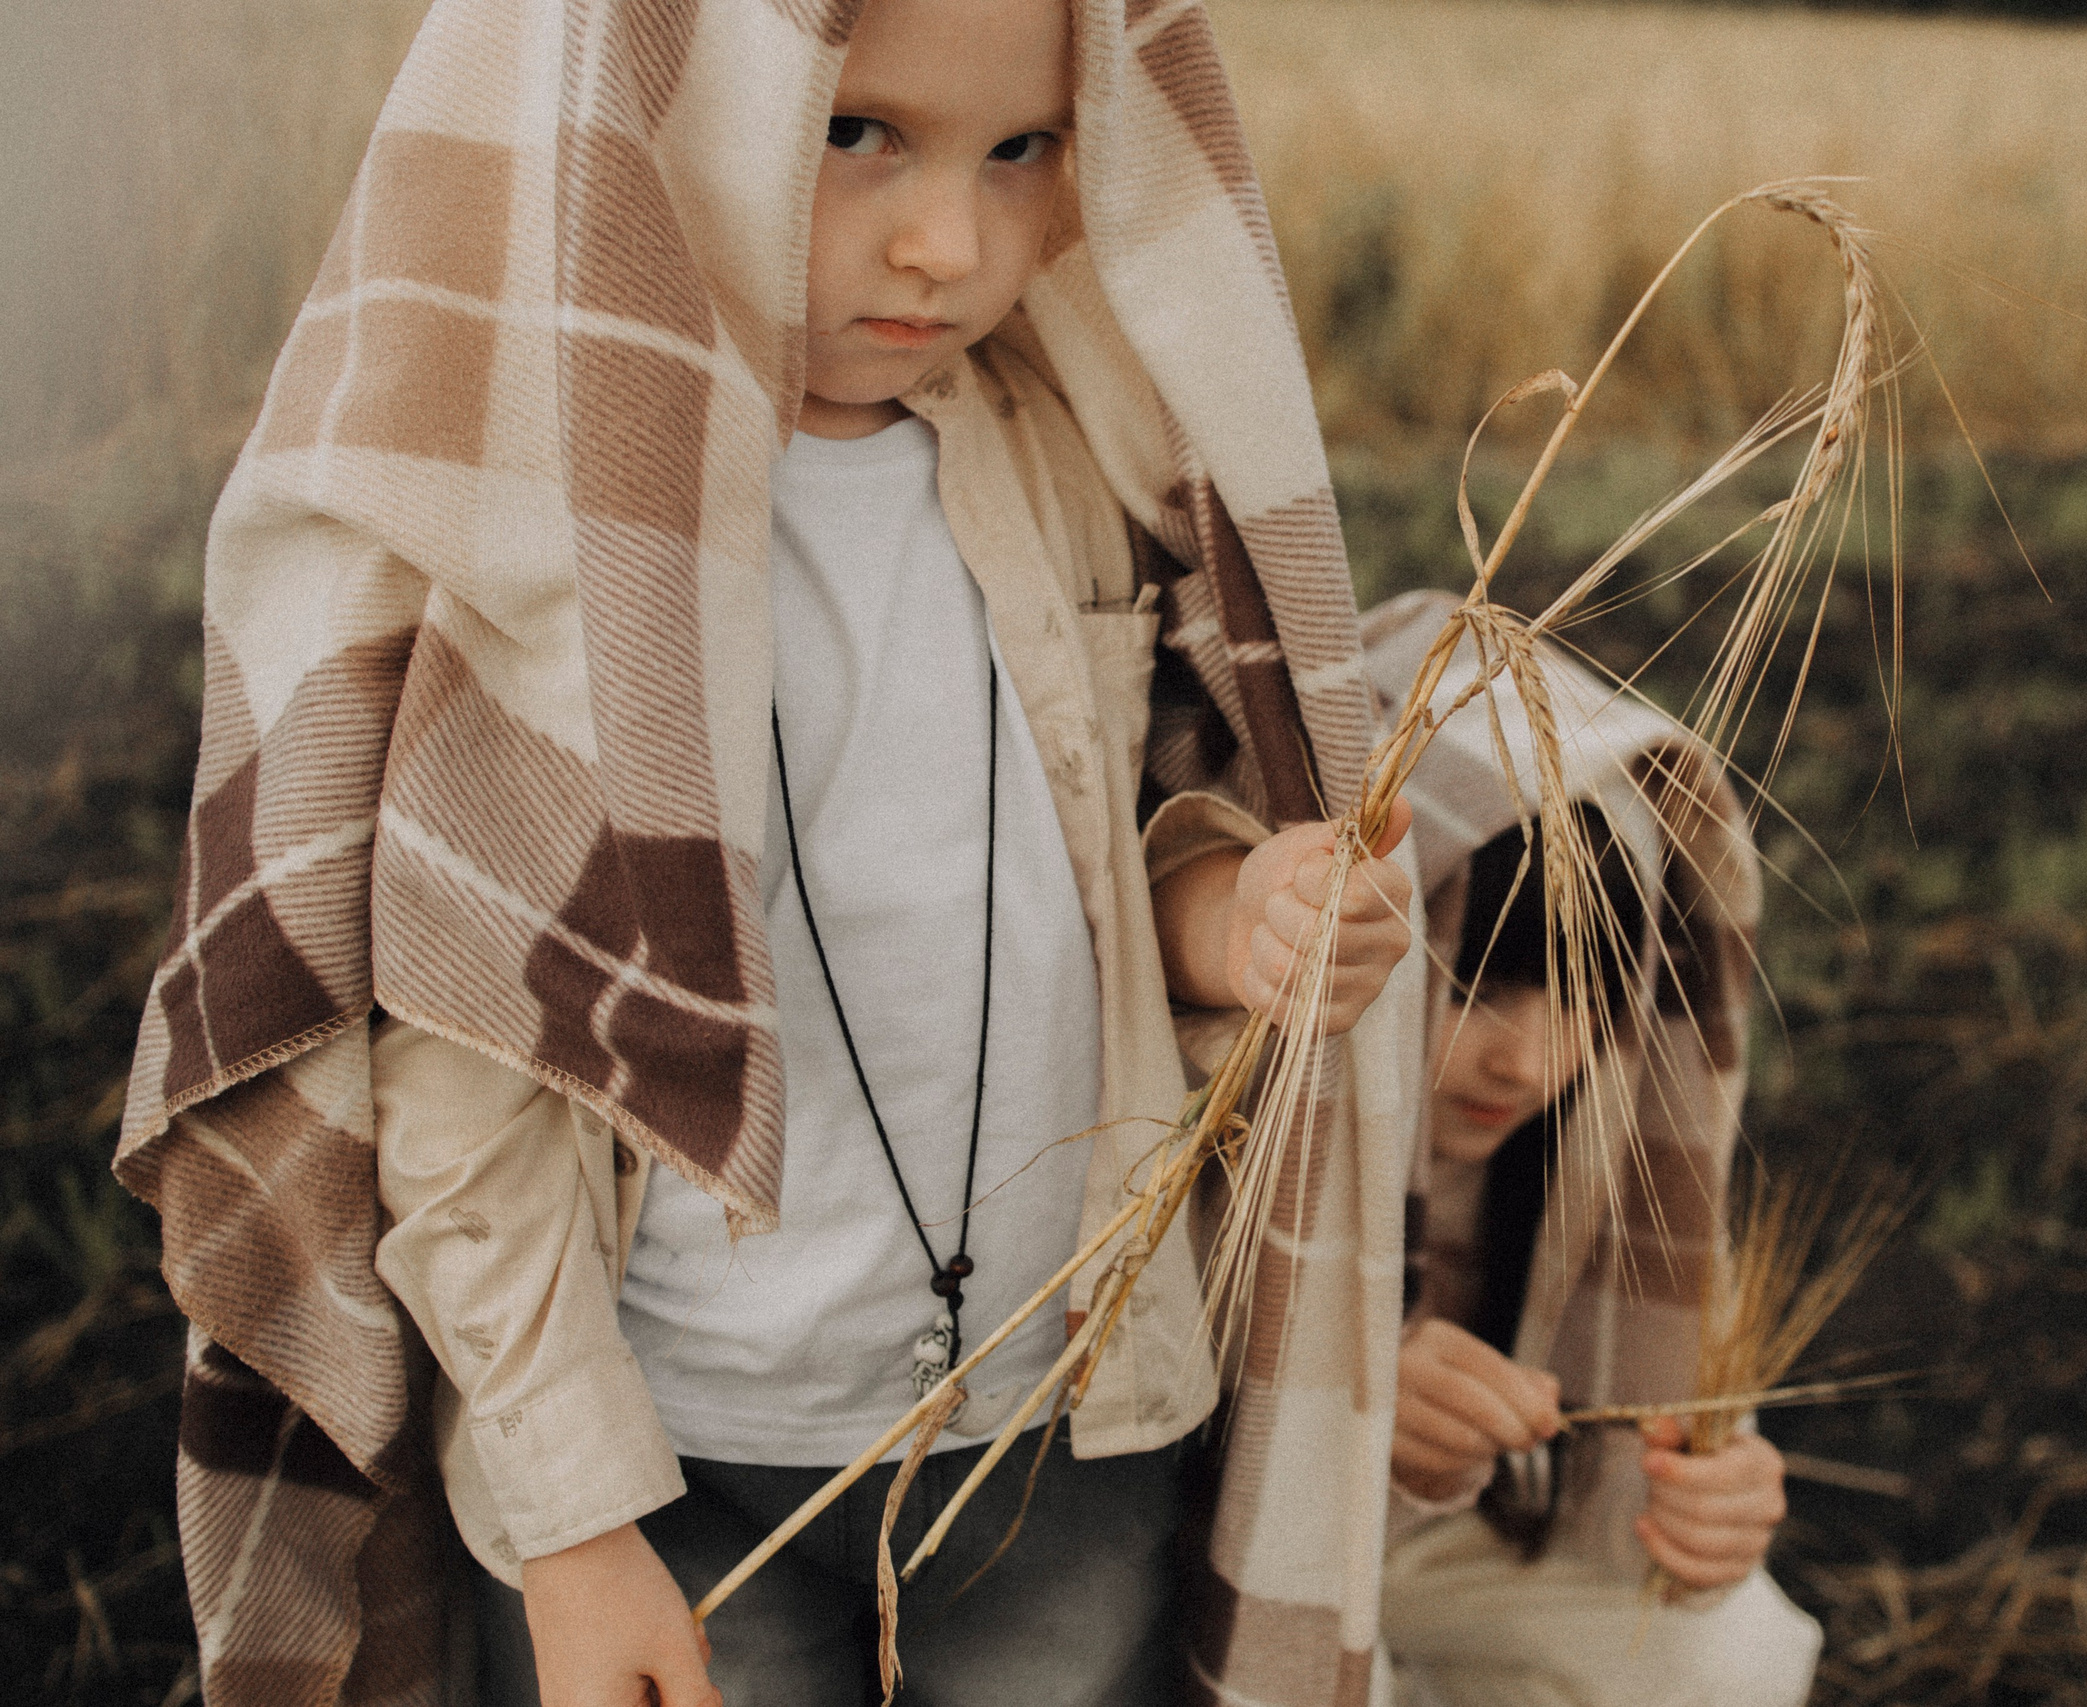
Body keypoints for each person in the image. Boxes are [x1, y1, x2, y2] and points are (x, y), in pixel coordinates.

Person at [113, 3, 1423, 1704]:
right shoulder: (553, 533)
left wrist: (1230, 913)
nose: (946, 242)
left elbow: (1089, 869)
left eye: (1021, 150)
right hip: (682, 1450)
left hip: (1056, 1421)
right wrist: (579, 1522)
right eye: (854, 131)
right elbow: (465, 1070)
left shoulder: (1066, 458)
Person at [1361, 591, 1824, 1707]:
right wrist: (1344, 1390)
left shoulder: (1608, 1145)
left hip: (1462, 1540)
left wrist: (1723, 1487)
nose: (1526, 1063)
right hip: (1220, 1543)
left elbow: (1676, 1377)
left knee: (1731, 1655)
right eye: (1474, 988)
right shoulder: (1225, 1103)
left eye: (1579, 999)